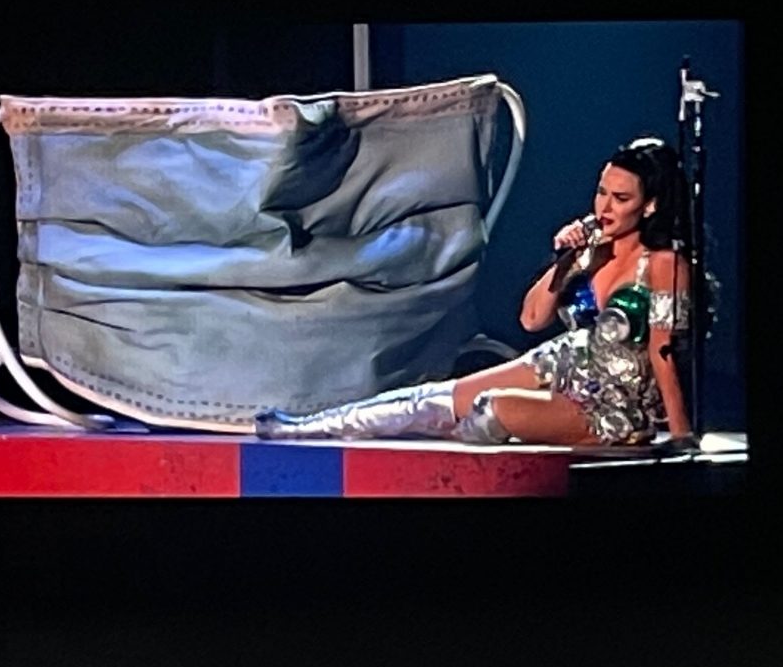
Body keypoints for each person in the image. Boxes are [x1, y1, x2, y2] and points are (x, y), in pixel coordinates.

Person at [255, 136, 698, 447]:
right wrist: (566, 260)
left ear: (650, 205)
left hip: (611, 403)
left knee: (491, 409)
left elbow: (662, 352)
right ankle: (306, 428)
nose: (604, 207)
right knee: (434, 396)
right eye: (601, 193)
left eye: (620, 199)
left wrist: (680, 435)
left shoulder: (664, 264)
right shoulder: (591, 251)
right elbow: (532, 320)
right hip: (562, 363)